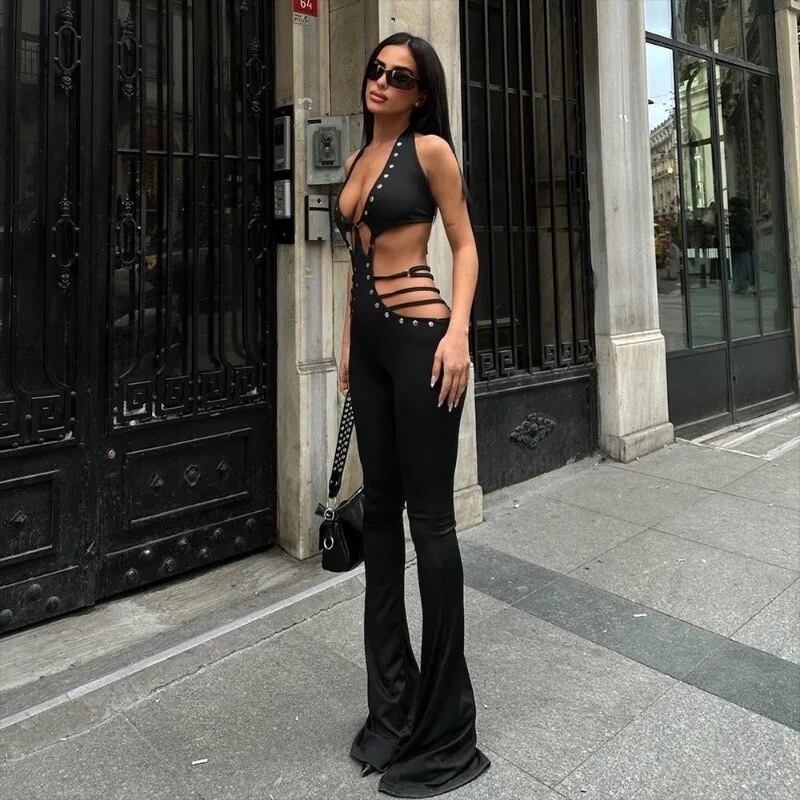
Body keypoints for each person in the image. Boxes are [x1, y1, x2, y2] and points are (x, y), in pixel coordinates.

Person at [333, 31, 491, 799]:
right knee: (380, 518)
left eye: (399, 76)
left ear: (421, 92)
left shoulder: (430, 151)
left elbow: (464, 246)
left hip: (424, 338)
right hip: (368, 348)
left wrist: (458, 334)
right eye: (377, 70)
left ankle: (445, 727)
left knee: (430, 523)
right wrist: (344, 345)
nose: (382, 82)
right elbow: (352, 261)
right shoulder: (357, 157)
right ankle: (391, 709)